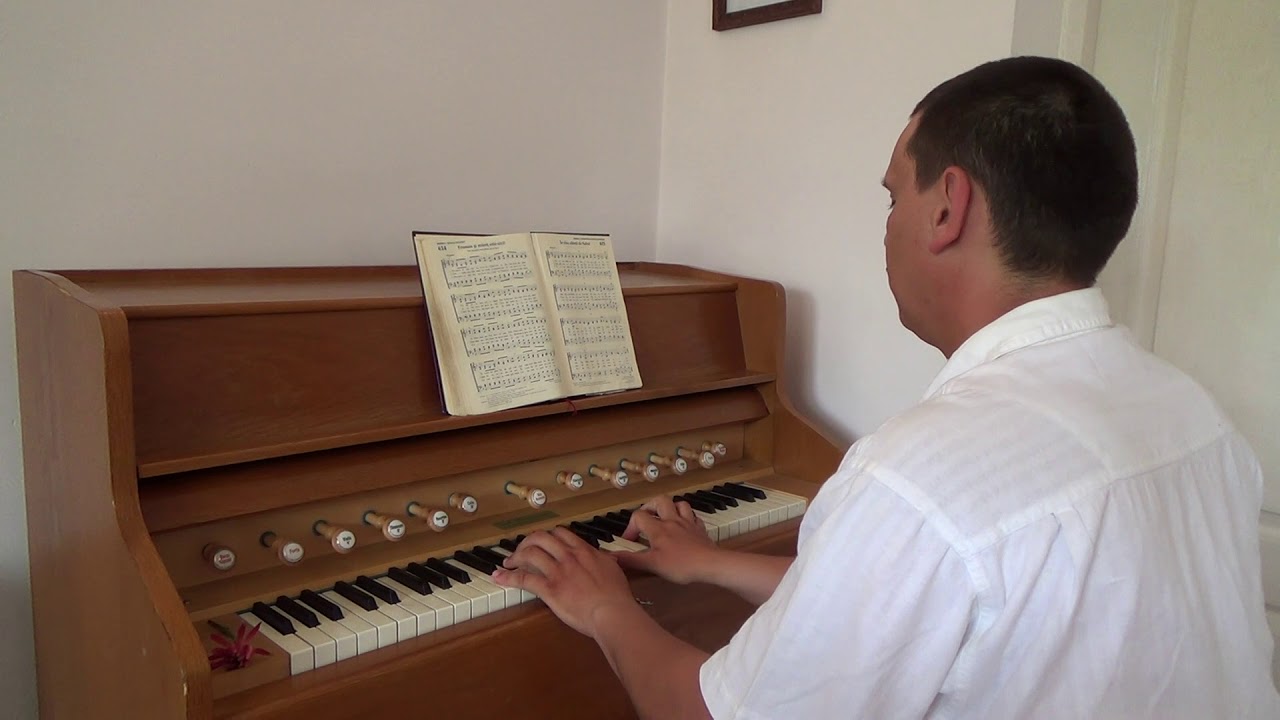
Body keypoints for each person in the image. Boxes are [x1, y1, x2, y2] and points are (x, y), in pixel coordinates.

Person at [492, 56, 1280, 719]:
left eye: (893, 194)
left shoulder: (920, 472)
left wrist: (604, 607)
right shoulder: (1192, 414)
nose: (888, 222)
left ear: (948, 207)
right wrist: (711, 566)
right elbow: (934, 601)